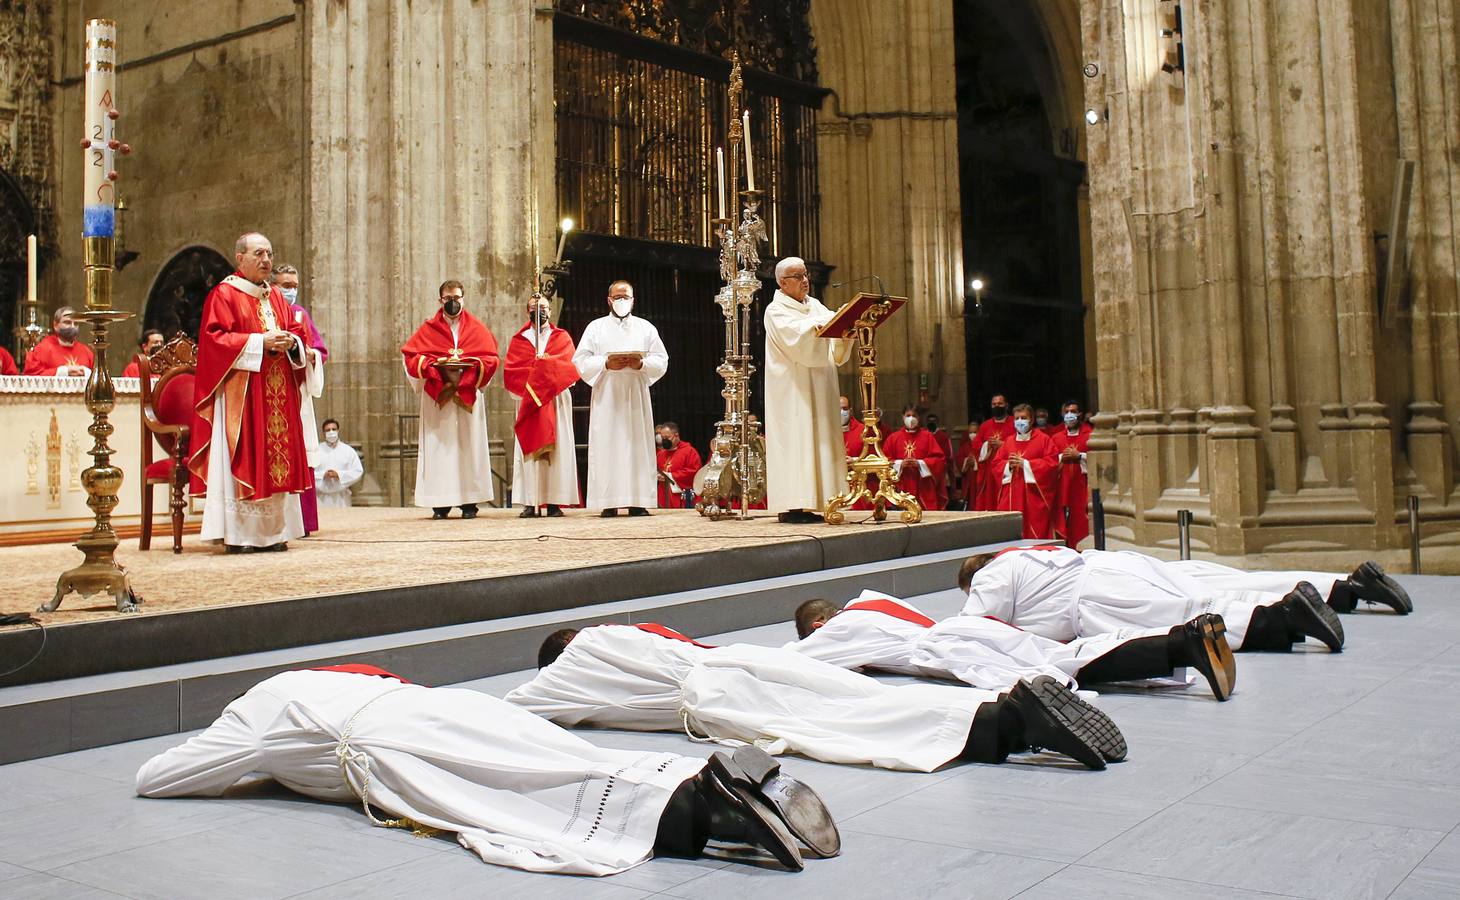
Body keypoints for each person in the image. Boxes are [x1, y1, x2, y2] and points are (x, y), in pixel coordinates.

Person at [135, 665, 842, 875]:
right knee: (561, 753)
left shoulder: (252, 715)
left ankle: (691, 814)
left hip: (390, 745)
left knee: (520, 795)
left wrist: (246, 750)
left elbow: (157, 777)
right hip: (429, 700)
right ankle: (698, 777)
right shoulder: (315, 677)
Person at [508, 623, 1128, 772]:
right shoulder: (613, 631)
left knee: (846, 726)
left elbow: (512, 706)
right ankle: (999, 705)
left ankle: (1007, 724)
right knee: (858, 694)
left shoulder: (563, 673)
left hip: (710, 692)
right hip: (729, 659)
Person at [954, 546, 1413, 653]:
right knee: (1217, 582)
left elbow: (972, 625)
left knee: (1191, 614)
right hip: (1111, 566)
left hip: (1096, 596)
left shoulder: (992, 574)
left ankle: (1285, 616)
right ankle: (1346, 587)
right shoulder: (1032, 554)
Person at [789, 592, 1235, 701]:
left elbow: (789, 662)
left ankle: (1185, 643)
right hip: (973, 630)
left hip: (956, 649)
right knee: (1070, 653)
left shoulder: (835, 631)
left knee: (1074, 668)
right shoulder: (874, 602)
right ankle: (1182, 641)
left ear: (818, 623)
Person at [187, 233, 314, 552]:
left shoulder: (274, 298)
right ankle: (240, 536)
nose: (266, 260)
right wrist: (260, 343)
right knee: (247, 454)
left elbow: (295, 333)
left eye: (269, 254)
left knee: (277, 459)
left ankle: (273, 533)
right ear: (240, 257)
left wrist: (293, 344)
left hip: (277, 392)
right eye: (259, 254)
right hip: (242, 396)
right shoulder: (225, 294)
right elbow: (214, 340)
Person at [763, 257, 853, 524]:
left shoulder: (813, 305)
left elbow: (831, 326)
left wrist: (846, 322)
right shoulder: (775, 311)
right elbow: (797, 338)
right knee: (798, 439)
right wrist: (818, 328)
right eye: (798, 276)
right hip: (793, 389)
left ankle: (823, 498)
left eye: (806, 275)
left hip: (821, 383)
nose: (805, 280)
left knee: (821, 437)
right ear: (782, 282)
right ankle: (795, 504)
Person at [401, 280, 499, 519]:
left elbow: (491, 358)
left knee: (469, 447)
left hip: (466, 395)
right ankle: (440, 504)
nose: (452, 302)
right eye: (447, 298)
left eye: (456, 297)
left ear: (463, 299)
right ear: (440, 300)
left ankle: (469, 503)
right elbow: (411, 357)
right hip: (439, 397)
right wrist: (433, 367)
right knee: (439, 449)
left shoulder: (477, 328)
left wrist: (472, 369)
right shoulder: (428, 329)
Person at [574, 280, 668, 517]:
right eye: (617, 297)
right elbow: (580, 360)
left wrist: (642, 363)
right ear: (609, 300)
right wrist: (605, 362)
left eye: (625, 296)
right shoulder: (595, 328)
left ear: (633, 300)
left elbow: (661, 359)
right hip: (607, 394)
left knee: (636, 445)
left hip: (635, 394)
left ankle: (637, 501)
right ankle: (609, 502)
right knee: (608, 444)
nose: (621, 300)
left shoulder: (645, 328)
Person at [505, 294, 579, 518]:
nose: (540, 311)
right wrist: (535, 371)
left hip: (555, 400)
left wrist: (546, 367)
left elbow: (571, 366)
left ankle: (555, 502)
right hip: (529, 401)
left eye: (544, 307)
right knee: (529, 454)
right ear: (527, 312)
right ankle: (531, 501)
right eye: (535, 308)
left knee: (559, 453)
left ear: (550, 310)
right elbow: (512, 372)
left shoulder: (561, 337)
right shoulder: (520, 340)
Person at [274, 265, 327, 536]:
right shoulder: (268, 312)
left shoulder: (300, 314)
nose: (290, 290)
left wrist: (311, 354)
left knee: (302, 451)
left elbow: (319, 349)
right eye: (285, 285)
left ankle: (305, 521)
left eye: (294, 285)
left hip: (298, 389)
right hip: (272, 390)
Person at [991, 403, 1059, 539]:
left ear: (1032, 420)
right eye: (1017, 418)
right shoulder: (1008, 442)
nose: (1020, 421)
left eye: (1023, 418)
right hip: (1012, 494)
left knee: (1033, 532)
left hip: (1033, 496)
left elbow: (1052, 463)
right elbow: (996, 464)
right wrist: (1008, 465)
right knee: (1011, 532)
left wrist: (1026, 464)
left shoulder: (1043, 439)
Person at [881, 405, 946, 511]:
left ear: (919, 418)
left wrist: (920, 464)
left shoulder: (928, 437)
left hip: (922, 486)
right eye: (908, 415)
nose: (911, 419)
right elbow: (884, 461)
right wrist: (899, 464)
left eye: (914, 415)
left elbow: (939, 460)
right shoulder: (893, 438)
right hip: (901, 485)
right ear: (903, 417)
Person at [1050, 399, 1093, 547]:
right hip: (1063, 486)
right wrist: (1062, 457)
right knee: (1065, 518)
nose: (1069, 415)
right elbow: (1049, 461)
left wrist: (1079, 455)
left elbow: (1099, 457)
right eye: (1067, 412)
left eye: (1073, 412)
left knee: (1081, 518)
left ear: (1080, 413)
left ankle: (1084, 547)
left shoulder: (1090, 435)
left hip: (1082, 485)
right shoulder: (1056, 437)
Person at [969, 393, 1016, 510]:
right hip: (989, 471)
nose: (997, 406)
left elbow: (1022, 443)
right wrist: (987, 445)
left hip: (1008, 469)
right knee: (990, 501)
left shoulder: (1014, 423)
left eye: (1000, 403)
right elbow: (975, 446)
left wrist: (1003, 445)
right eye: (994, 404)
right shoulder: (985, 425)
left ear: (1006, 405)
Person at [23, 306, 96, 376]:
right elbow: (31, 375)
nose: (72, 327)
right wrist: (63, 372)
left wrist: (85, 372)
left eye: (76, 323)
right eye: (67, 322)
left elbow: (98, 375)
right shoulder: (42, 349)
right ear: (55, 325)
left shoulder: (86, 352)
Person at [313, 418, 364, 508]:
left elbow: (358, 471)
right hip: (320, 498)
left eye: (334, 429)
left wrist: (339, 475)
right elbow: (308, 473)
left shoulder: (348, 451)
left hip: (341, 498)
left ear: (338, 430)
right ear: (323, 432)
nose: (331, 432)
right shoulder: (316, 451)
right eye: (328, 430)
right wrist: (322, 475)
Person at [656, 421, 702, 509]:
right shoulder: (661, 454)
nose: (664, 440)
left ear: (676, 435)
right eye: (662, 438)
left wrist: (670, 476)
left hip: (681, 497)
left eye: (667, 437)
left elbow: (694, 472)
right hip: (663, 496)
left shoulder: (689, 452)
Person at [924, 413, 954, 510]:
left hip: (941, 471)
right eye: (929, 421)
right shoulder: (924, 435)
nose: (931, 423)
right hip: (925, 471)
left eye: (934, 421)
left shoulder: (943, 436)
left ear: (937, 422)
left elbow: (949, 455)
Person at [954, 421, 980, 509]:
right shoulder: (965, 446)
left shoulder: (983, 445)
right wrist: (966, 461)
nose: (972, 435)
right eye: (970, 432)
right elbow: (958, 459)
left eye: (975, 432)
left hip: (978, 478)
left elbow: (987, 461)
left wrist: (976, 462)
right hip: (968, 478)